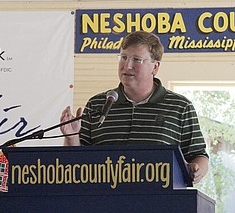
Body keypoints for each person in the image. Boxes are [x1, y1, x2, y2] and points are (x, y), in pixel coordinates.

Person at [60, 31, 209, 184]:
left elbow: (199, 155)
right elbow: (75, 164)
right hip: (102, 200)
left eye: (136, 60)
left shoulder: (180, 107)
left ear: (155, 67)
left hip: (160, 201)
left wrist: (197, 170)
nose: (127, 65)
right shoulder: (97, 104)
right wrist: (71, 137)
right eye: (123, 57)